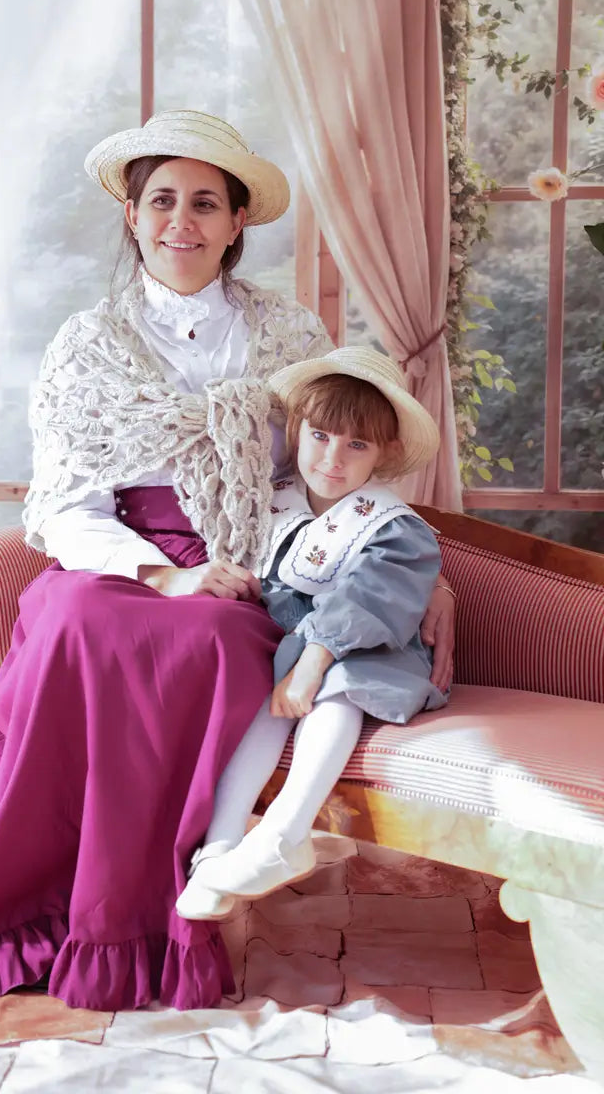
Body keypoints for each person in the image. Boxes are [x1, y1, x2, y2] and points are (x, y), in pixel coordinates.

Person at [0, 110, 455, 1012]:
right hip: (120, 562)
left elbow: (336, 471)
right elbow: (65, 504)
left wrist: (418, 570)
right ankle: (43, 906)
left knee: (218, 644)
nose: (180, 221)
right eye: (161, 202)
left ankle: (153, 911)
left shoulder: (290, 337)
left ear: (235, 224)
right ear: (133, 217)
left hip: (250, 562)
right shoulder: (87, 344)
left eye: (204, 204)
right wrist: (159, 571)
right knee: (75, 622)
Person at [176, 347, 447, 921]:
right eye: (321, 435)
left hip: (370, 647)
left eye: (357, 444)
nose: (332, 457)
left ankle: (284, 832)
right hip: (294, 650)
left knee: (337, 688)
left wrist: (312, 662)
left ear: (386, 452)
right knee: (260, 694)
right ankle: (220, 844)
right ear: (297, 429)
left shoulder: (392, 527)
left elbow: (370, 600)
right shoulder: (273, 501)